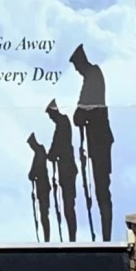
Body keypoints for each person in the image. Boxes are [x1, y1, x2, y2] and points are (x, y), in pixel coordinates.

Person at [70, 44, 115, 242]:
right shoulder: (91, 76)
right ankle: (105, 233)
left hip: (99, 141)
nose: (76, 70)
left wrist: (82, 114)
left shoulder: (93, 75)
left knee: (102, 188)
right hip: (95, 141)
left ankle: (107, 235)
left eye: (77, 66)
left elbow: (79, 114)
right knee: (100, 188)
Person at [45, 99, 78, 242]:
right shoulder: (62, 123)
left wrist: (51, 154)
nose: (50, 118)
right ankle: (71, 236)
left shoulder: (62, 123)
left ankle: (72, 237)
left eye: (50, 115)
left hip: (67, 169)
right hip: (65, 169)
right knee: (67, 205)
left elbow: (57, 145)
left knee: (69, 205)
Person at [26, 133, 51, 243]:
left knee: (44, 214)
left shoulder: (40, 151)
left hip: (43, 186)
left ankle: (46, 239)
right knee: (43, 214)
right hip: (41, 187)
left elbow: (34, 171)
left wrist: (32, 174)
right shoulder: (39, 152)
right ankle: (46, 238)